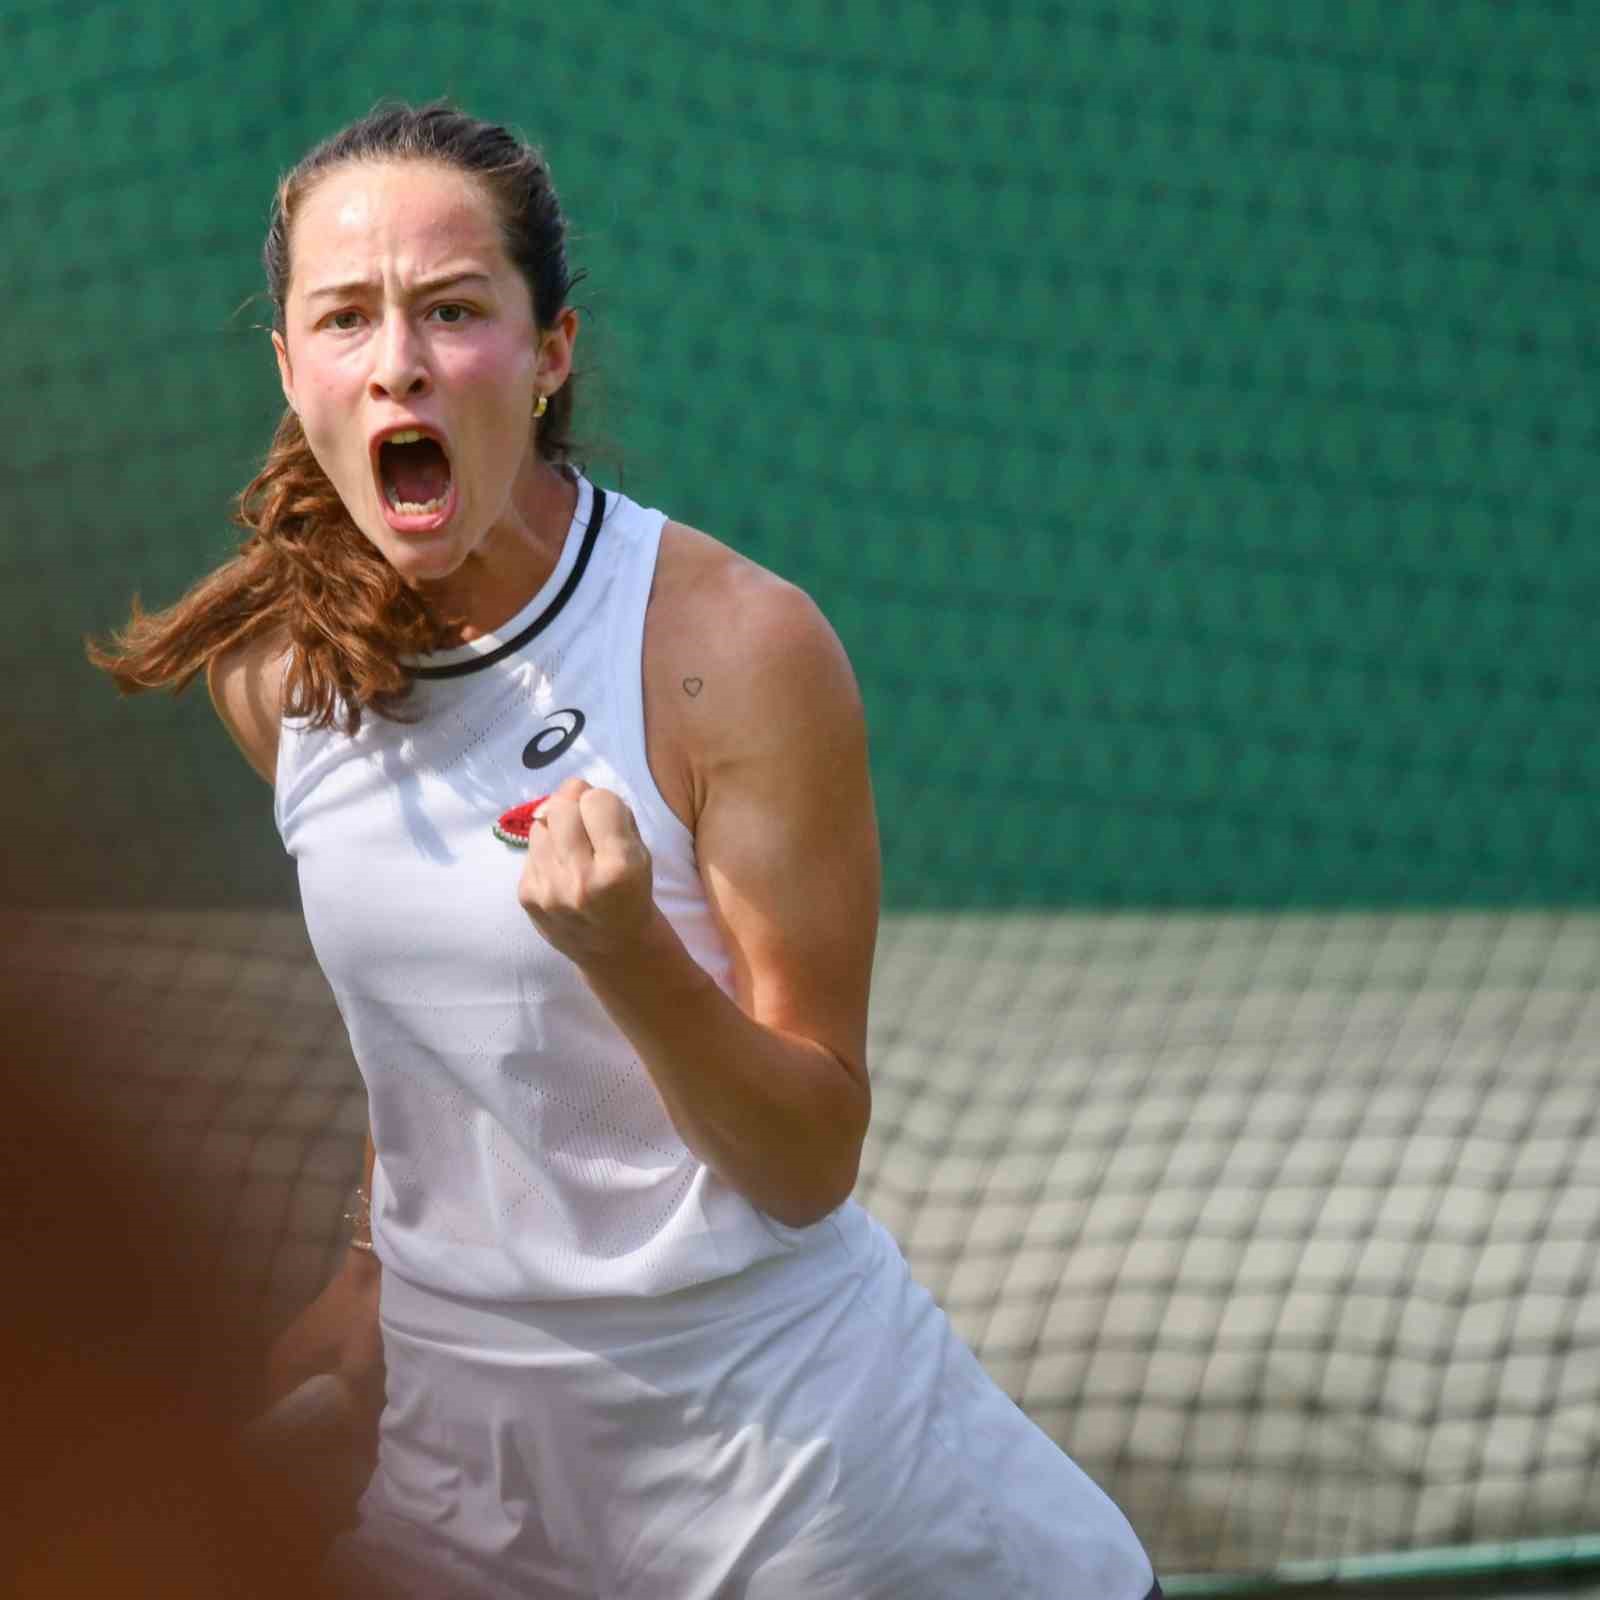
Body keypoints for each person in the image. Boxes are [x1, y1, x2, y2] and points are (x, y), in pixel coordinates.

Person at [91, 101, 1160, 1599]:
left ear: (549, 355)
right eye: (345, 317)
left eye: (453, 311)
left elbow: (806, 1159)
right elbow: (447, 1036)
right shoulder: (280, 675)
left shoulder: (732, 648)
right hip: (467, 1494)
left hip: (805, 1508)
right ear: (291, 368)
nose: (397, 358)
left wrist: (631, 957)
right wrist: (369, 1269)